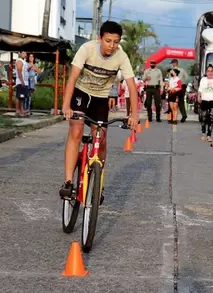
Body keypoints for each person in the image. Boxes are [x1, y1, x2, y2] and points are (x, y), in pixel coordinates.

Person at [59, 21, 139, 202]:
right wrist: (66, 106)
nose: (112, 46)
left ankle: (98, 182)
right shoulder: (87, 49)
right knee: (76, 130)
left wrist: (134, 115)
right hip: (81, 93)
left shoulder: (121, 56)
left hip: (100, 99)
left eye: (116, 42)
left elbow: (132, 87)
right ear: (100, 38)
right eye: (108, 41)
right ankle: (68, 181)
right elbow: (72, 78)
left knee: (101, 138)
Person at [198, 64, 213, 142]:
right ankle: (203, 133)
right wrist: (199, 97)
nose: (210, 73)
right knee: (203, 117)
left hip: (212, 101)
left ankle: (209, 135)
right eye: (208, 71)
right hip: (204, 100)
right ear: (206, 72)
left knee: (211, 118)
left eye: (211, 71)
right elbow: (200, 90)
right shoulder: (203, 80)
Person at [15, 51, 29, 117]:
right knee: (19, 96)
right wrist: (22, 81)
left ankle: (22, 109)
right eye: (23, 53)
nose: (25, 54)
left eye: (25, 53)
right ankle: (17, 110)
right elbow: (19, 71)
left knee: (23, 97)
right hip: (21, 82)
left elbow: (25, 71)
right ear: (20, 53)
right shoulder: (19, 61)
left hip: (25, 82)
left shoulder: (24, 61)